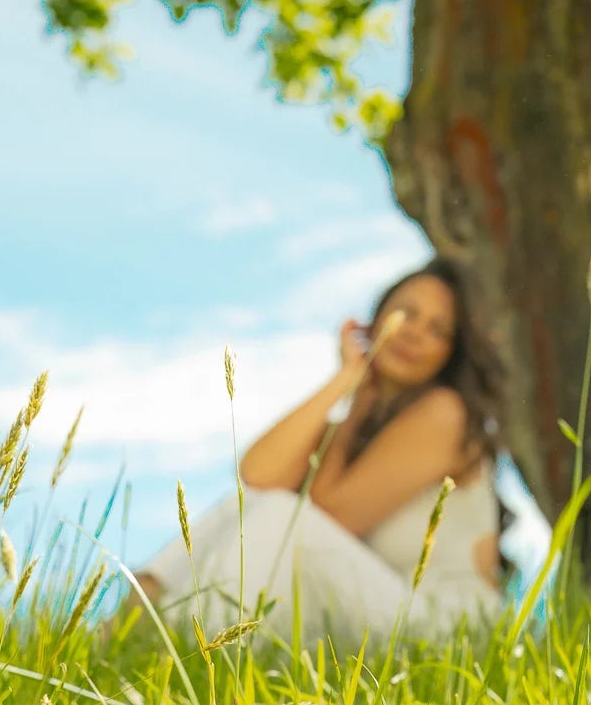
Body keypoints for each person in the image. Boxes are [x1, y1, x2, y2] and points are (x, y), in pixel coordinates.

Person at [132, 258, 508, 649]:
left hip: (448, 632)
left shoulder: (446, 414)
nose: (414, 333)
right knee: (242, 506)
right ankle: (126, 627)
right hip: (384, 612)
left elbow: (327, 513)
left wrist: (358, 396)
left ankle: (192, 654)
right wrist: (346, 378)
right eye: (406, 314)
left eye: (439, 330)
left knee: (279, 513)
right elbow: (257, 475)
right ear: (375, 320)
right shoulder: (355, 430)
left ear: (451, 353)